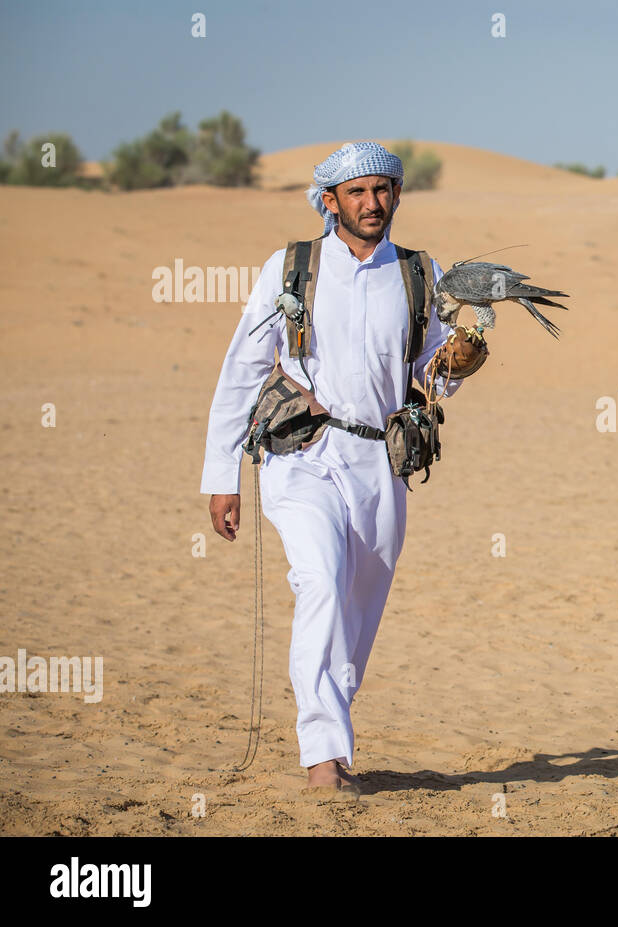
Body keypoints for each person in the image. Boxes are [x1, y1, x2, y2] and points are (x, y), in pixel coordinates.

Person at [200, 141, 461, 793]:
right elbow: (244, 366)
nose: (372, 203)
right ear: (329, 201)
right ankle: (321, 757)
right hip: (303, 454)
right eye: (357, 192)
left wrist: (459, 359)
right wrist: (220, 473)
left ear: (397, 196)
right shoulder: (292, 268)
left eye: (383, 190)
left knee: (357, 608)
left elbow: (431, 371)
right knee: (318, 580)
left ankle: (332, 733)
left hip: (382, 460)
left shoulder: (418, 272)